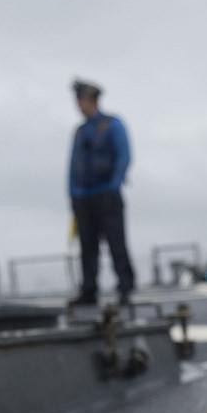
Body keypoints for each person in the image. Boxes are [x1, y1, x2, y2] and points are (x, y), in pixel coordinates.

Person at [67, 78, 134, 306]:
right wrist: (73, 194)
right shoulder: (80, 131)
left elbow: (123, 155)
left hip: (106, 193)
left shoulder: (112, 125)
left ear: (91, 100)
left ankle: (125, 287)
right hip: (83, 197)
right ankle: (89, 289)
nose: (79, 105)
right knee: (87, 246)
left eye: (82, 100)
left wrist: (113, 186)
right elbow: (73, 165)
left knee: (116, 242)